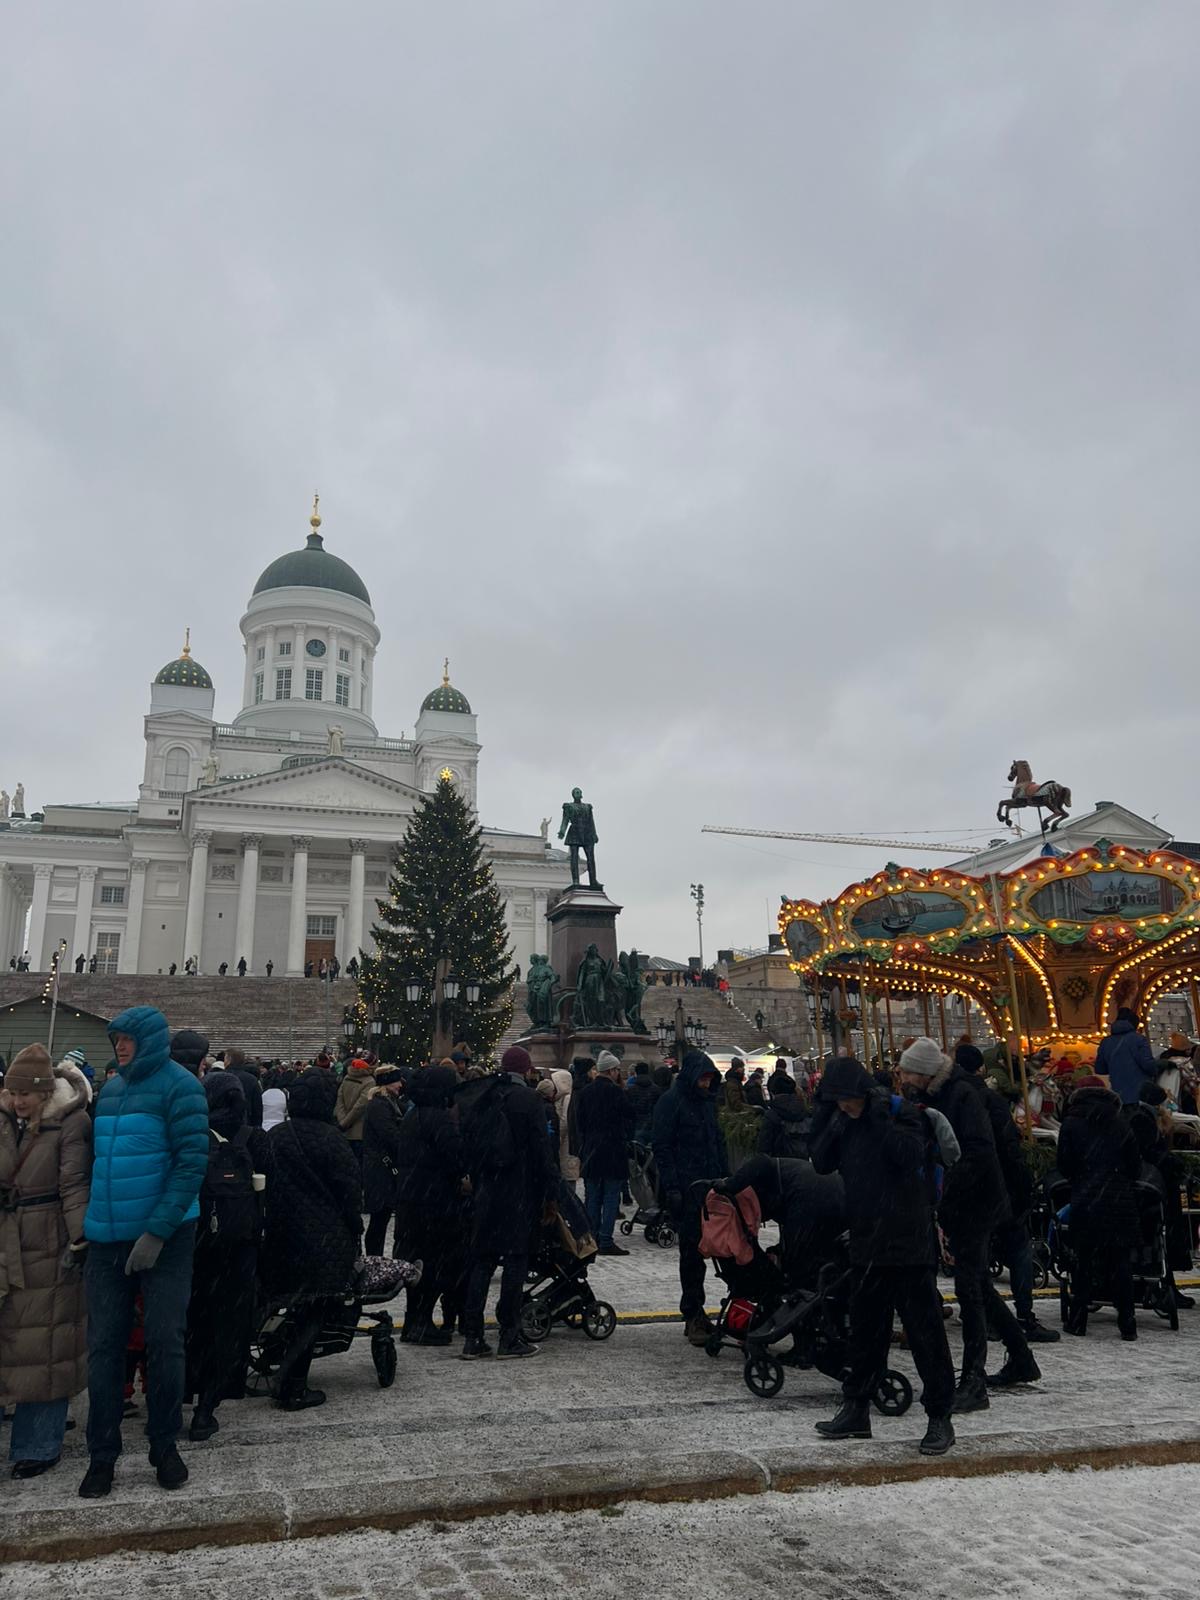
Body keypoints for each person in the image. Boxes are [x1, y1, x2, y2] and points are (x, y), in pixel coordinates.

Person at [79, 1006, 209, 1498]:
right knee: (105, 1348)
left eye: (128, 1039)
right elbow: (100, 1165)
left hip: (166, 1237)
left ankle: (164, 1446)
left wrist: (157, 1231)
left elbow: (191, 1162)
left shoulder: (181, 1087)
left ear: (151, 1040)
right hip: (108, 1238)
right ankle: (102, 1455)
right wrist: (88, 1228)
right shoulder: (111, 1092)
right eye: (116, 1039)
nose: (121, 1046)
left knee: (164, 1341)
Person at [809, 1056, 956, 1456]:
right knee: (866, 1335)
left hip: (909, 1244)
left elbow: (907, 1157)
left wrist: (875, 1117)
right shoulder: (844, 1121)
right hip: (868, 1243)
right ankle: (856, 1408)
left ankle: (940, 1416)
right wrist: (826, 1116)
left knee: (925, 1335)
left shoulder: (901, 1114)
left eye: (846, 1100)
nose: (844, 1106)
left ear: (862, 1093)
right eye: (836, 1101)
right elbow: (821, 1162)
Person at [897, 1038, 1039, 1410]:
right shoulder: (940, 1094)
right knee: (978, 1286)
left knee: (969, 1291)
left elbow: (975, 1152)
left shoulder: (961, 1096)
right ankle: (1021, 1358)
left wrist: (948, 1189)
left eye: (906, 1072)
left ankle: (974, 1381)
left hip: (977, 1202)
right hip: (965, 1201)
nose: (902, 1078)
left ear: (924, 1073)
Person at [0, 1046, 93, 1478]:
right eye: (13, 1092)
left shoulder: (70, 1123)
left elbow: (73, 1183)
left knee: (45, 1341)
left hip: (45, 1233)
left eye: (27, 1094)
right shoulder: (3, 1122)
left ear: (44, 1093)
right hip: (5, 1235)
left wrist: (80, 1240)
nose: (19, 1101)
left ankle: (38, 1443)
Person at [262, 1070, 362, 1407]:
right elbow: (350, 1193)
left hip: (282, 1233)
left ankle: (278, 1361)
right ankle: (292, 1384)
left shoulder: (276, 1135)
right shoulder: (332, 1139)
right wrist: (354, 1229)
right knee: (316, 1308)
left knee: (290, 1303)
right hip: (324, 1238)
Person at [954, 1043, 1059, 1350]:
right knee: (1019, 1250)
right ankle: (1024, 1315)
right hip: (1000, 1187)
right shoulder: (993, 1101)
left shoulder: (953, 1099)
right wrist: (1021, 1185)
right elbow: (1010, 1150)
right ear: (983, 1068)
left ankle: (983, 1317)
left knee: (978, 1255)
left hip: (973, 1189)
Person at [460, 1047, 558, 1360]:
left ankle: (473, 1336)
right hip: (519, 1192)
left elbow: (469, 1146)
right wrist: (550, 1195)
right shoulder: (529, 1100)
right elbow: (543, 1152)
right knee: (516, 1263)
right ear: (527, 1070)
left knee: (483, 1262)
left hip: (487, 1191)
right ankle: (509, 1335)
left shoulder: (482, 1096)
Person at [185, 1072, 263, 1442]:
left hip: (197, 1241)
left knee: (193, 1318)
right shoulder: (254, 1138)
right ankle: (209, 1403)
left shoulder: (192, 1136)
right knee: (228, 1323)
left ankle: (182, 1390)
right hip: (239, 1244)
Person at [651, 1051, 729, 1347]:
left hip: (712, 1188)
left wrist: (727, 1177)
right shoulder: (671, 1102)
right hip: (687, 1189)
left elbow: (717, 1141)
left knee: (726, 1248)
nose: (708, 1083)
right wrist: (672, 1187)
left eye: (711, 1078)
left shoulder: (708, 1103)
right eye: (704, 1078)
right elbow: (662, 1146)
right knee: (692, 1254)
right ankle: (693, 1313)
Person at [1057, 1075, 1142, 1339]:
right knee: (1121, 1262)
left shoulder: (1071, 1123)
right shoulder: (1120, 1122)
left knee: (1083, 1261)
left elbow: (1065, 1165)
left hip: (1087, 1197)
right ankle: (1128, 1323)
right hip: (1119, 1199)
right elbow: (1135, 1165)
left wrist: (1082, 1177)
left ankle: (1078, 1319)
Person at [394, 1064, 466, 1344]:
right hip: (435, 1203)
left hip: (412, 1199)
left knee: (417, 1263)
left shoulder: (414, 1115)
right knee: (434, 1265)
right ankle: (422, 1322)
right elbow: (455, 1157)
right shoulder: (439, 1119)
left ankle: (413, 1321)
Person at [720, 1153, 845, 1287]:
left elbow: (762, 1161)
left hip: (810, 1196)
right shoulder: (780, 1175)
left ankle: (803, 1295)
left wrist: (727, 1185)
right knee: (821, 1255)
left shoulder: (762, 1175)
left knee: (799, 1265)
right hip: (835, 1193)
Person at [575, 1051, 635, 1256]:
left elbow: (580, 1123)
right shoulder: (616, 1092)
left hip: (592, 1150)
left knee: (593, 1196)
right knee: (611, 1197)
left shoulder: (585, 1092)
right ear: (611, 1070)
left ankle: (592, 1237)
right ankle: (606, 1239)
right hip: (612, 1151)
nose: (619, 1073)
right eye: (618, 1069)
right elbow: (630, 1115)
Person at [362, 1067, 407, 1257]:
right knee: (379, 1218)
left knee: (382, 1216)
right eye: (397, 1081)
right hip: (380, 1169)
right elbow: (390, 1135)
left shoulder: (388, 1102)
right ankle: (374, 1259)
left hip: (382, 1167)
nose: (401, 1085)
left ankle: (376, 1258)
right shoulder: (380, 1105)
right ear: (388, 1083)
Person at [1096, 1008, 1158, 1105]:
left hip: (1118, 1095)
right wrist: (1159, 1067)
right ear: (1134, 1024)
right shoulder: (1139, 1039)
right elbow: (1148, 1065)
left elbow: (1100, 1069)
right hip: (1140, 1095)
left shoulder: (1106, 1042)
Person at [334, 1056, 376, 1174]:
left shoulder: (347, 1077)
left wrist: (342, 1120)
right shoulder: (370, 1082)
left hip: (344, 1130)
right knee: (359, 1167)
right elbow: (360, 1106)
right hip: (359, 1131)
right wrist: (346, 1122)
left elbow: (340, 1099)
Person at [756, 1072, 811, 1159]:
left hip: (780, 1164)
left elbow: (764, 1146)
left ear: (773, 1093)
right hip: (803, 1161)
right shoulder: (804, 1111)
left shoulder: (772, 1115)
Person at [223, 1048, 263, 1129]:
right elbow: (257, 1108)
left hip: (222, 1125)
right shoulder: (252, 1079)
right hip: (246, 1126)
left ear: (229, 1060)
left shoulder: (219, 1077)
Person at [625, 1060, 662, 1145]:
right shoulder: (657, 1090)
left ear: (636, 1073)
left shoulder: (629, 1090)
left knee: (638, 1155)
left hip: (636, 1127)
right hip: (653, 1127)